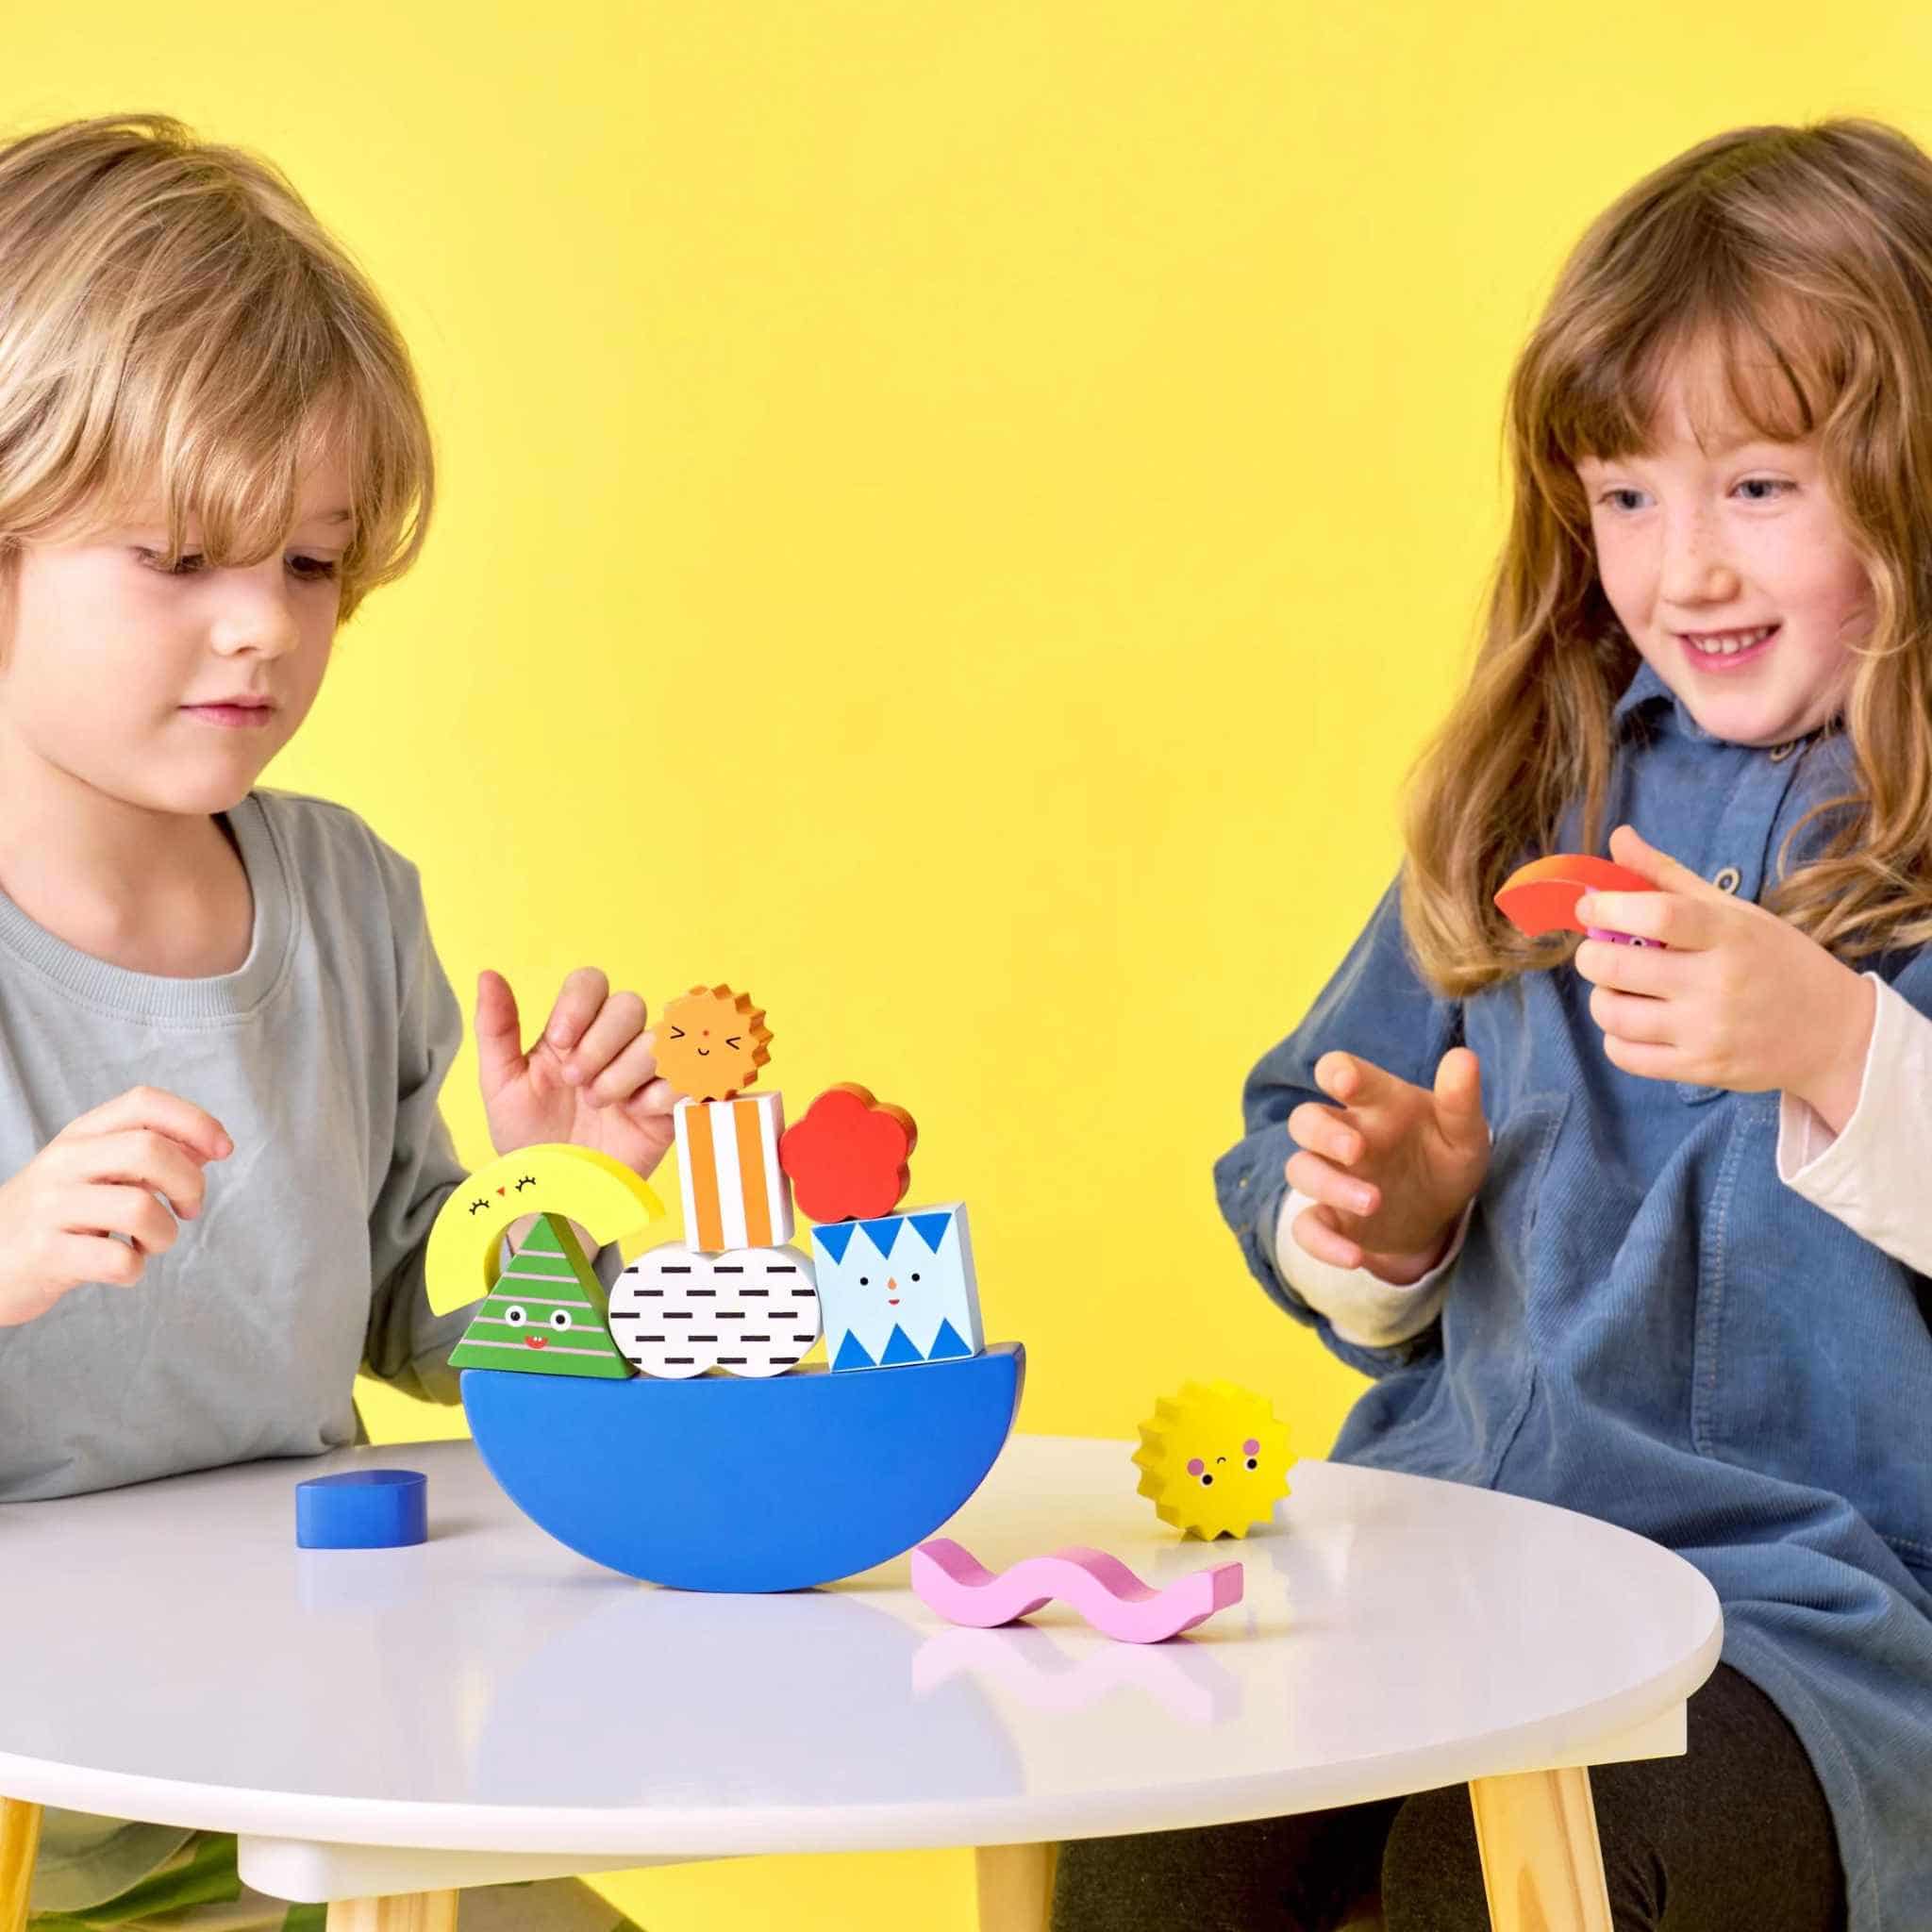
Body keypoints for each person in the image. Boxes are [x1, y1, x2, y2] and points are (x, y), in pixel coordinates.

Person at [1055, 117, 1932, 1932]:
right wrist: (1385, 1218)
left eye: (1759, 488)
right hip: (1462, 1547)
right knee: (1150, 1840)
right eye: (1627, 499)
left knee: (1522, 1876)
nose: (1683, 570)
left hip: (1826, 1626)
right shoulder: (1545, 791)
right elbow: (1303, 1127)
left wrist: (1841, 1046)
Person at [0, 113, 680, 1930]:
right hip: (31, 1828)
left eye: (307, 569)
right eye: (177, 559)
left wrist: (538, 1218)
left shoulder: (346, 896)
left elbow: (419, 1324)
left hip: (312, 1777)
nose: (261, 635)